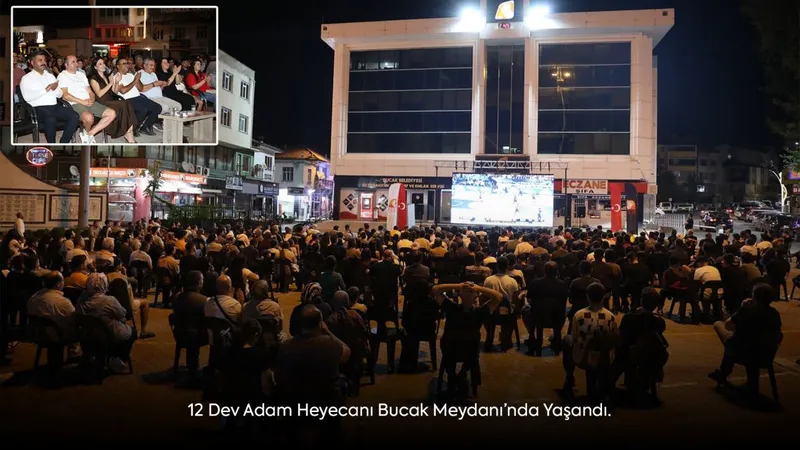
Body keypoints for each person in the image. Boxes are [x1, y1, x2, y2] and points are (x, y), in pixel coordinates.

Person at [709, 283, 782, 394]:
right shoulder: (774, 313)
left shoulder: (747, 310)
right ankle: (748, 382)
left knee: (719, 325)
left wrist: (741, 308)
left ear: (754, 296)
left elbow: (728, 325)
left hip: (742, 351)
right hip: (765, 354)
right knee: (746, 339)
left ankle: (723, 372)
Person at [433, 282, 502, 399]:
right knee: (472, 349)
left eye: (471, 290)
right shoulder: (480, 311)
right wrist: (477, 288)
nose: (469, 289)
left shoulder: (451, 308)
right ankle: (463, 371)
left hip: (450, 350)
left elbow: (436, 289)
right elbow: (498, 297)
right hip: (470, 353)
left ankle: (452, 373)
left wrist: (459, 286)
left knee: (450, 344)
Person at [561, 282, 619, 402]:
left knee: (567, 339)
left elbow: (574, 337)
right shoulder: (611, 316)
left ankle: (570, 375)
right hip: (605, 358)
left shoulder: (579, 315)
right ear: (604, 297)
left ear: (587, 297)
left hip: (583, 356)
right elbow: (615, 338)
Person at [75, 273, 136, 374]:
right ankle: (117, 358)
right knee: (133, 332)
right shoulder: (109, 300)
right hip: (109, 334)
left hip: (87, 335)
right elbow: (122, 314)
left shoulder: (82, 298)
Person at [19, 51, 80, 143]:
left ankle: (64, 141)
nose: (43, 62)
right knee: (50, 118)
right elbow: (27, 97)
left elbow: (59, 94)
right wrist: (45, 90)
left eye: (44, 60)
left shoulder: (50, 76)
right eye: (40, 60)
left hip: (53, 106)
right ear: (32, 63)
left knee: (74, 116)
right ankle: (51, 143)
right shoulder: (27, 78)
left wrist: (55, 89)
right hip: (37, 108)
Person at [57, 55, 116, 143]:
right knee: (89, 118)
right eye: (73, 62)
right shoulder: (62, 76)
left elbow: (90, 91)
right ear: (66, 65)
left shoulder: (81, 74)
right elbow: (65, 95)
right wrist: (83, 102)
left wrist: (92, 99)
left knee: (112, 113)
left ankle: (89, 134)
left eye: (76, 61)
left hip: (88, 101)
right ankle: (88, 135)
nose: (76, 63)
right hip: (74, 103)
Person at [88, 57, 138, 143]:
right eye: (100, 64)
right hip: (102, 101)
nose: (103, 65)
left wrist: (117, 82)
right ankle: (129, 134)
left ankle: (129, 132)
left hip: (110, 99)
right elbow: (99, 94)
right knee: (123, 104)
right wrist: (111, 83)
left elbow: (114, 91)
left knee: (126, 103)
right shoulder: (93, 78)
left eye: (103, 63)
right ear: (95, 67)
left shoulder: (107, 76)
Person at [115, 57, 161, 136]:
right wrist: (135, 80)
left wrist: (137, 78)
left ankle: (145, 127)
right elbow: (123, 91)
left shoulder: (130, 75)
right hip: (127, 99)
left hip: (138, 96)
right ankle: (133, 128)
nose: (127, 65)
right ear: (118, 66)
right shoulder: (117, 76)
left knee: (157, 107)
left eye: (127, 63)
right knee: (142, 110)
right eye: (124, 63)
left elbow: (140, 88)